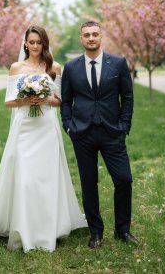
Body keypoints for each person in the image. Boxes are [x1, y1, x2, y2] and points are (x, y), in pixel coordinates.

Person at [0, 25, 87, 252]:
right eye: (32, 42)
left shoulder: (54, 67)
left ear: (44, 43)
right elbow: (9, 102)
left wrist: (45, 98)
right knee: (25, 178)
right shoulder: (16, 68)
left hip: (46, 126)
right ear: (25, 43)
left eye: (39, 42)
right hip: (25, 126)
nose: (36, 46)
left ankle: (48, 227)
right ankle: (23, 228)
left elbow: (59, 100)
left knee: (46, 178)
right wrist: (27, 99)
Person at [61, 21, 138, 248]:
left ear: (101, 36)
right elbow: (66, 100)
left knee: (124, 179)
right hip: (82, 133)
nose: (91, 38)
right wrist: (68, 125)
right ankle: (96, 232)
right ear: (81, 38)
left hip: (112, 132)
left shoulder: (118, 64)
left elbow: (128, 97)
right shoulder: (71, 67)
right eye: (87, 35)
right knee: (89, 183)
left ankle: (123, 231)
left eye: (95, 34)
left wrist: (124, 125)